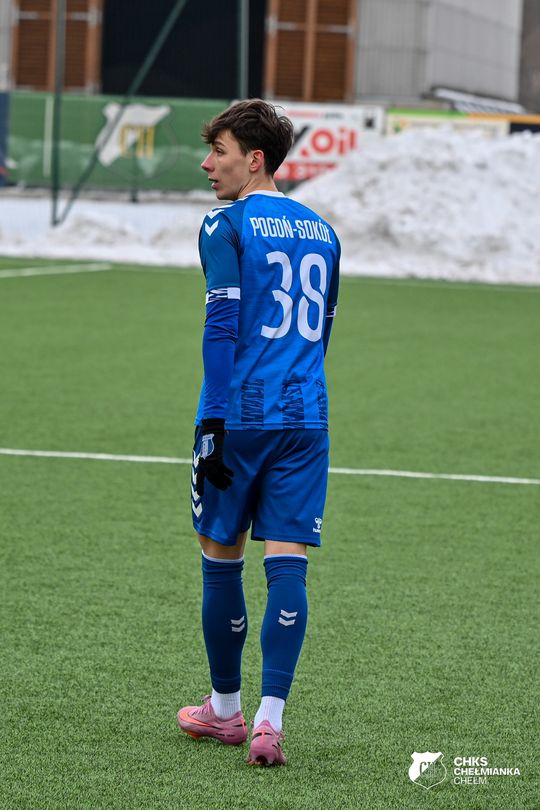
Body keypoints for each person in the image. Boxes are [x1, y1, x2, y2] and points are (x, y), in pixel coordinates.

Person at [176, 99, 340, 766]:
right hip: (306, 417)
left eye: (218, 151)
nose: (207, 164)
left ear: (255, 160)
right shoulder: (324, 232)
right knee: (289, 562)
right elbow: (323, 331)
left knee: (222, 558)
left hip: (239, 416)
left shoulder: (225, 224)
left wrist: (214, 420)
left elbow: (221, 325)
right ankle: (271, 722)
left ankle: (224, 712)